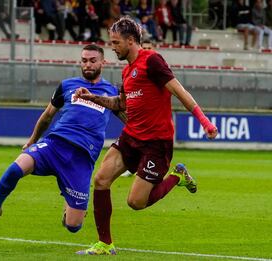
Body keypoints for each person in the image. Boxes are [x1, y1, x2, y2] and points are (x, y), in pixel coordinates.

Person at [75, 16, 218, 255]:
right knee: (101, 180)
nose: (112, 47)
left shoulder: (152, 61)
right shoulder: (127, 71)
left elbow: (178, 90)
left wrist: (203, 121)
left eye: (116, 42)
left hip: (156, 144)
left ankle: (177, 176)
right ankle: (105, 243)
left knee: (136, 202)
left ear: (131, 41)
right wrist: (91, 97)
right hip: (131, 137)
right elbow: (120, 104)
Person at [0, 44, 121, 234]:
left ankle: (68, 203)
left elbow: (128, 119)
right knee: (14, 170)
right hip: (54, 145)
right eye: (84, 61)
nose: (88, 65)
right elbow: (48, 115)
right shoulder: (67, 85)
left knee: (73, 226)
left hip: (81, 158)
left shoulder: (113, 92)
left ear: (103, 62)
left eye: (92, 60)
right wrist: (33, 140)